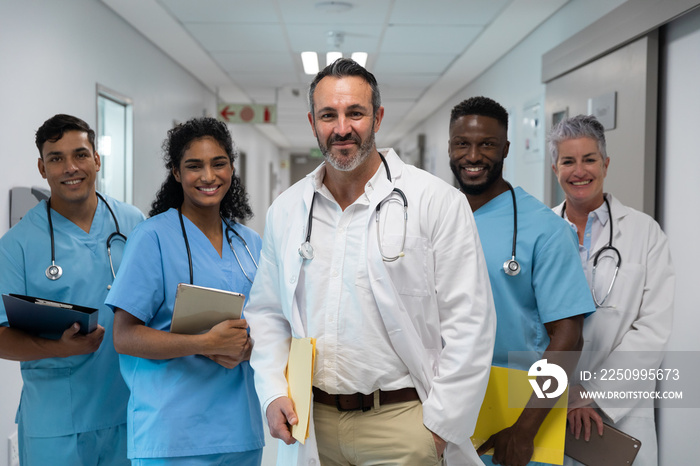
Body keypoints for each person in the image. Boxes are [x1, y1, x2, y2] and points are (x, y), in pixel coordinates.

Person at [245, 58, 496, 465]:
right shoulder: (288, 210)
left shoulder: (435, 201)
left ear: (377, 117)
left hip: (403, 421)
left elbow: (470, 321)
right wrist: (274, 391)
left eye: (355, 113)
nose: (342, 128)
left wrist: (438, 428)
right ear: (313, 123)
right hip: (313, 424)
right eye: (329, 115)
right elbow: (269, 313)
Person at [105, 117, 264, 465]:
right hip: (172, 435)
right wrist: (203, 343)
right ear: (176, 173)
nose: (208, 176)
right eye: (194, 166)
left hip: (240, 432)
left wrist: (250, 346)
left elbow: (268, 324)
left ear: (231, 168)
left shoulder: (250, 244)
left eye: (218, 163)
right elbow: (124, 336)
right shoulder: (152, 238)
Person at [447, 97, 595, 466]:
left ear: (506, 149)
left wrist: (525, 427)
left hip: (518, 410)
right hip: (445, 407)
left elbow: (568, 337)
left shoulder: (544, 229)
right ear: (449, 147)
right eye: (462, 143)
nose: (473, 156)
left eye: (487, 144)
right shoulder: (435, 217)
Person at [0, 114, 145, 465]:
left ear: (97, 158)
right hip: (57, 421)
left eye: (80, 154)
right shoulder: (16, 245)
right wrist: (57, 348)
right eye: (56, 158)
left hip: (129, 412)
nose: (70, 167)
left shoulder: (134, 223)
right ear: (42, 167)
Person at [550, 114, 674, 466]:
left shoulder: (644, 233)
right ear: (555, 167)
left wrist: (590, 394)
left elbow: (652, 329)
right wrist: (561, 394)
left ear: (605, 164)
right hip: (550, 407)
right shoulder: (541, 232)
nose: (579, 171)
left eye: (589, 159)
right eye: (568, 161)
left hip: (620, 410)